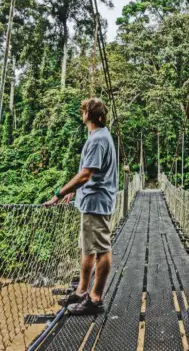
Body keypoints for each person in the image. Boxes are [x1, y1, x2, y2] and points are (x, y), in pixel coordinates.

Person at [44, 98, 117, 315]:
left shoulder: (97, 140)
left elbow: (86, 174)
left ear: (87, 115)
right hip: (91, 200)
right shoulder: (99, 136)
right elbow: (91, 173)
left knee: (102, 250)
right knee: (87, 248)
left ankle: (94, 300)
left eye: (84, 110)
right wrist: (76, 190)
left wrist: (60, 193)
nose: (82, 112)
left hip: (96, 202)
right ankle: (82, 291)